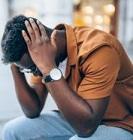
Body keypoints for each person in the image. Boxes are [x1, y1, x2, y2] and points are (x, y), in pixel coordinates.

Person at [1, 15, 133, 140]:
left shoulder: (99, 49)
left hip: (120, 124)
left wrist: (48, 68)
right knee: (11, 131)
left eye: (33, 68)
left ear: (44, 41)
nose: (35, 74)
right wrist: (15, 65)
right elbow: (32, 109)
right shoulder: (40, 51)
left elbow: (86, 128)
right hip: (75, 118)